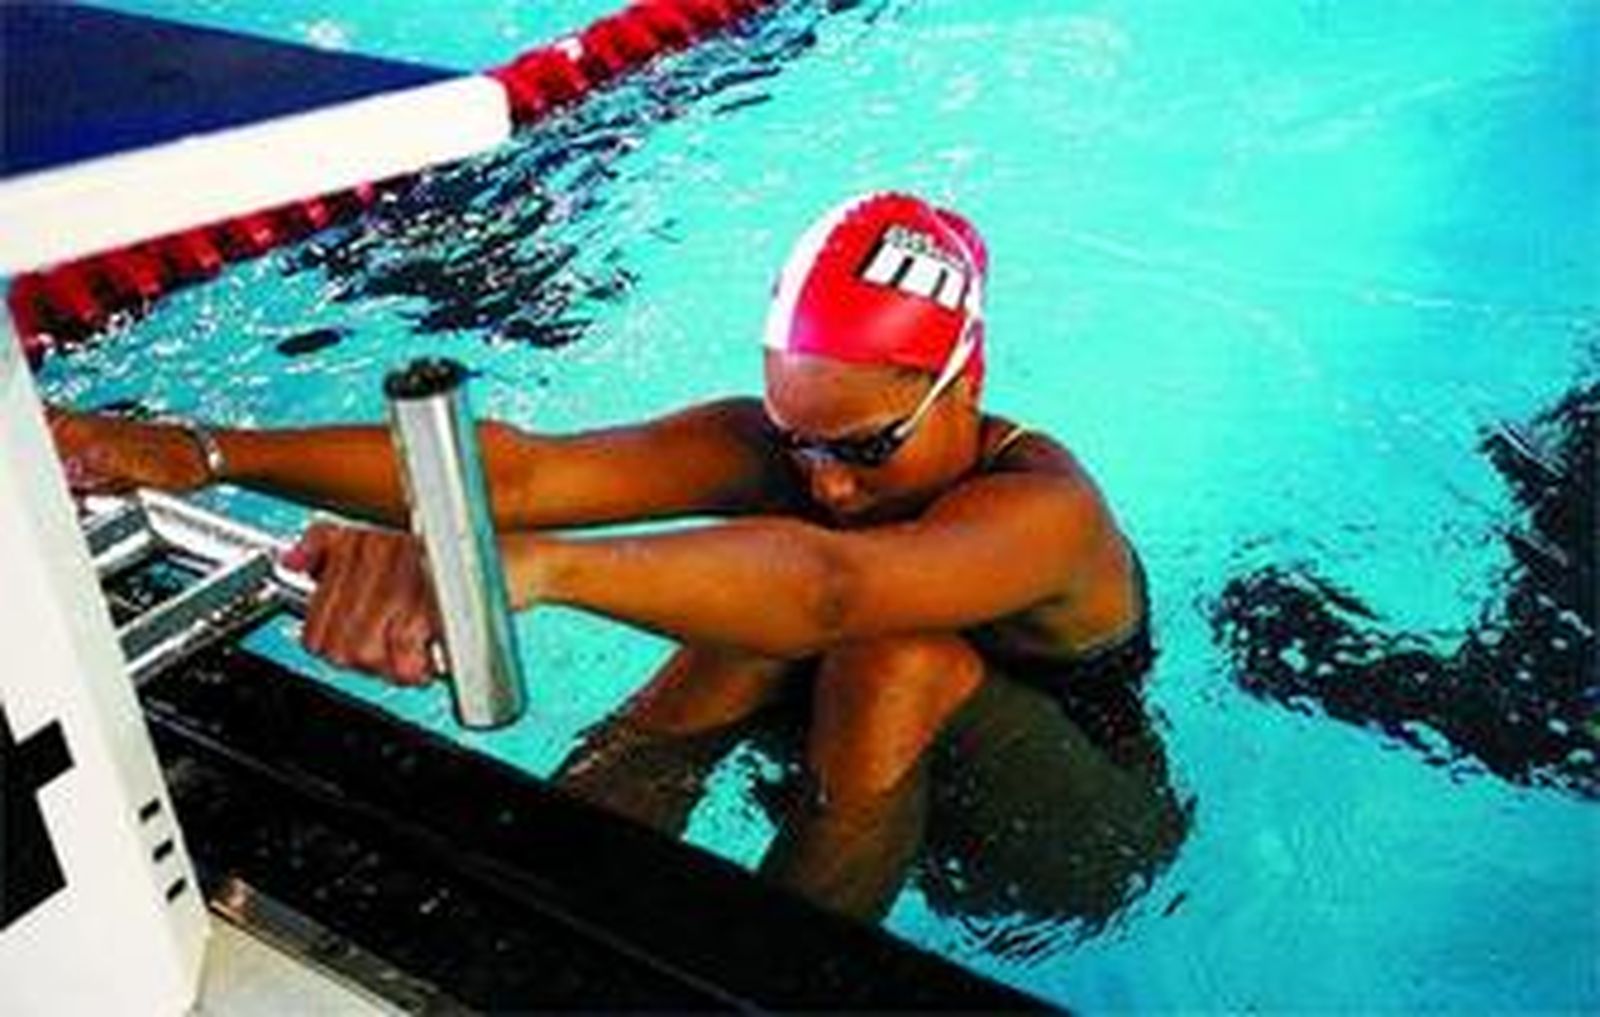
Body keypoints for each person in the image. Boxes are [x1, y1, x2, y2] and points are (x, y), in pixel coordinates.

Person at [50, 192, 1184, 923]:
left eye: (865, 447)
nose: (828, 479)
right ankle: (515, 919)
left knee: (891, 651)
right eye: (798, 440)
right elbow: (526, 474)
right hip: (860, 789)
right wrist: (202, 453)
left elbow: (836, 590)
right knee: (735, 611)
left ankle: (752, 987)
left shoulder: (1045, 511)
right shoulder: (790, 460)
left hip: (1075, 849)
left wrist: (528, 571)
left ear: (964, 383)